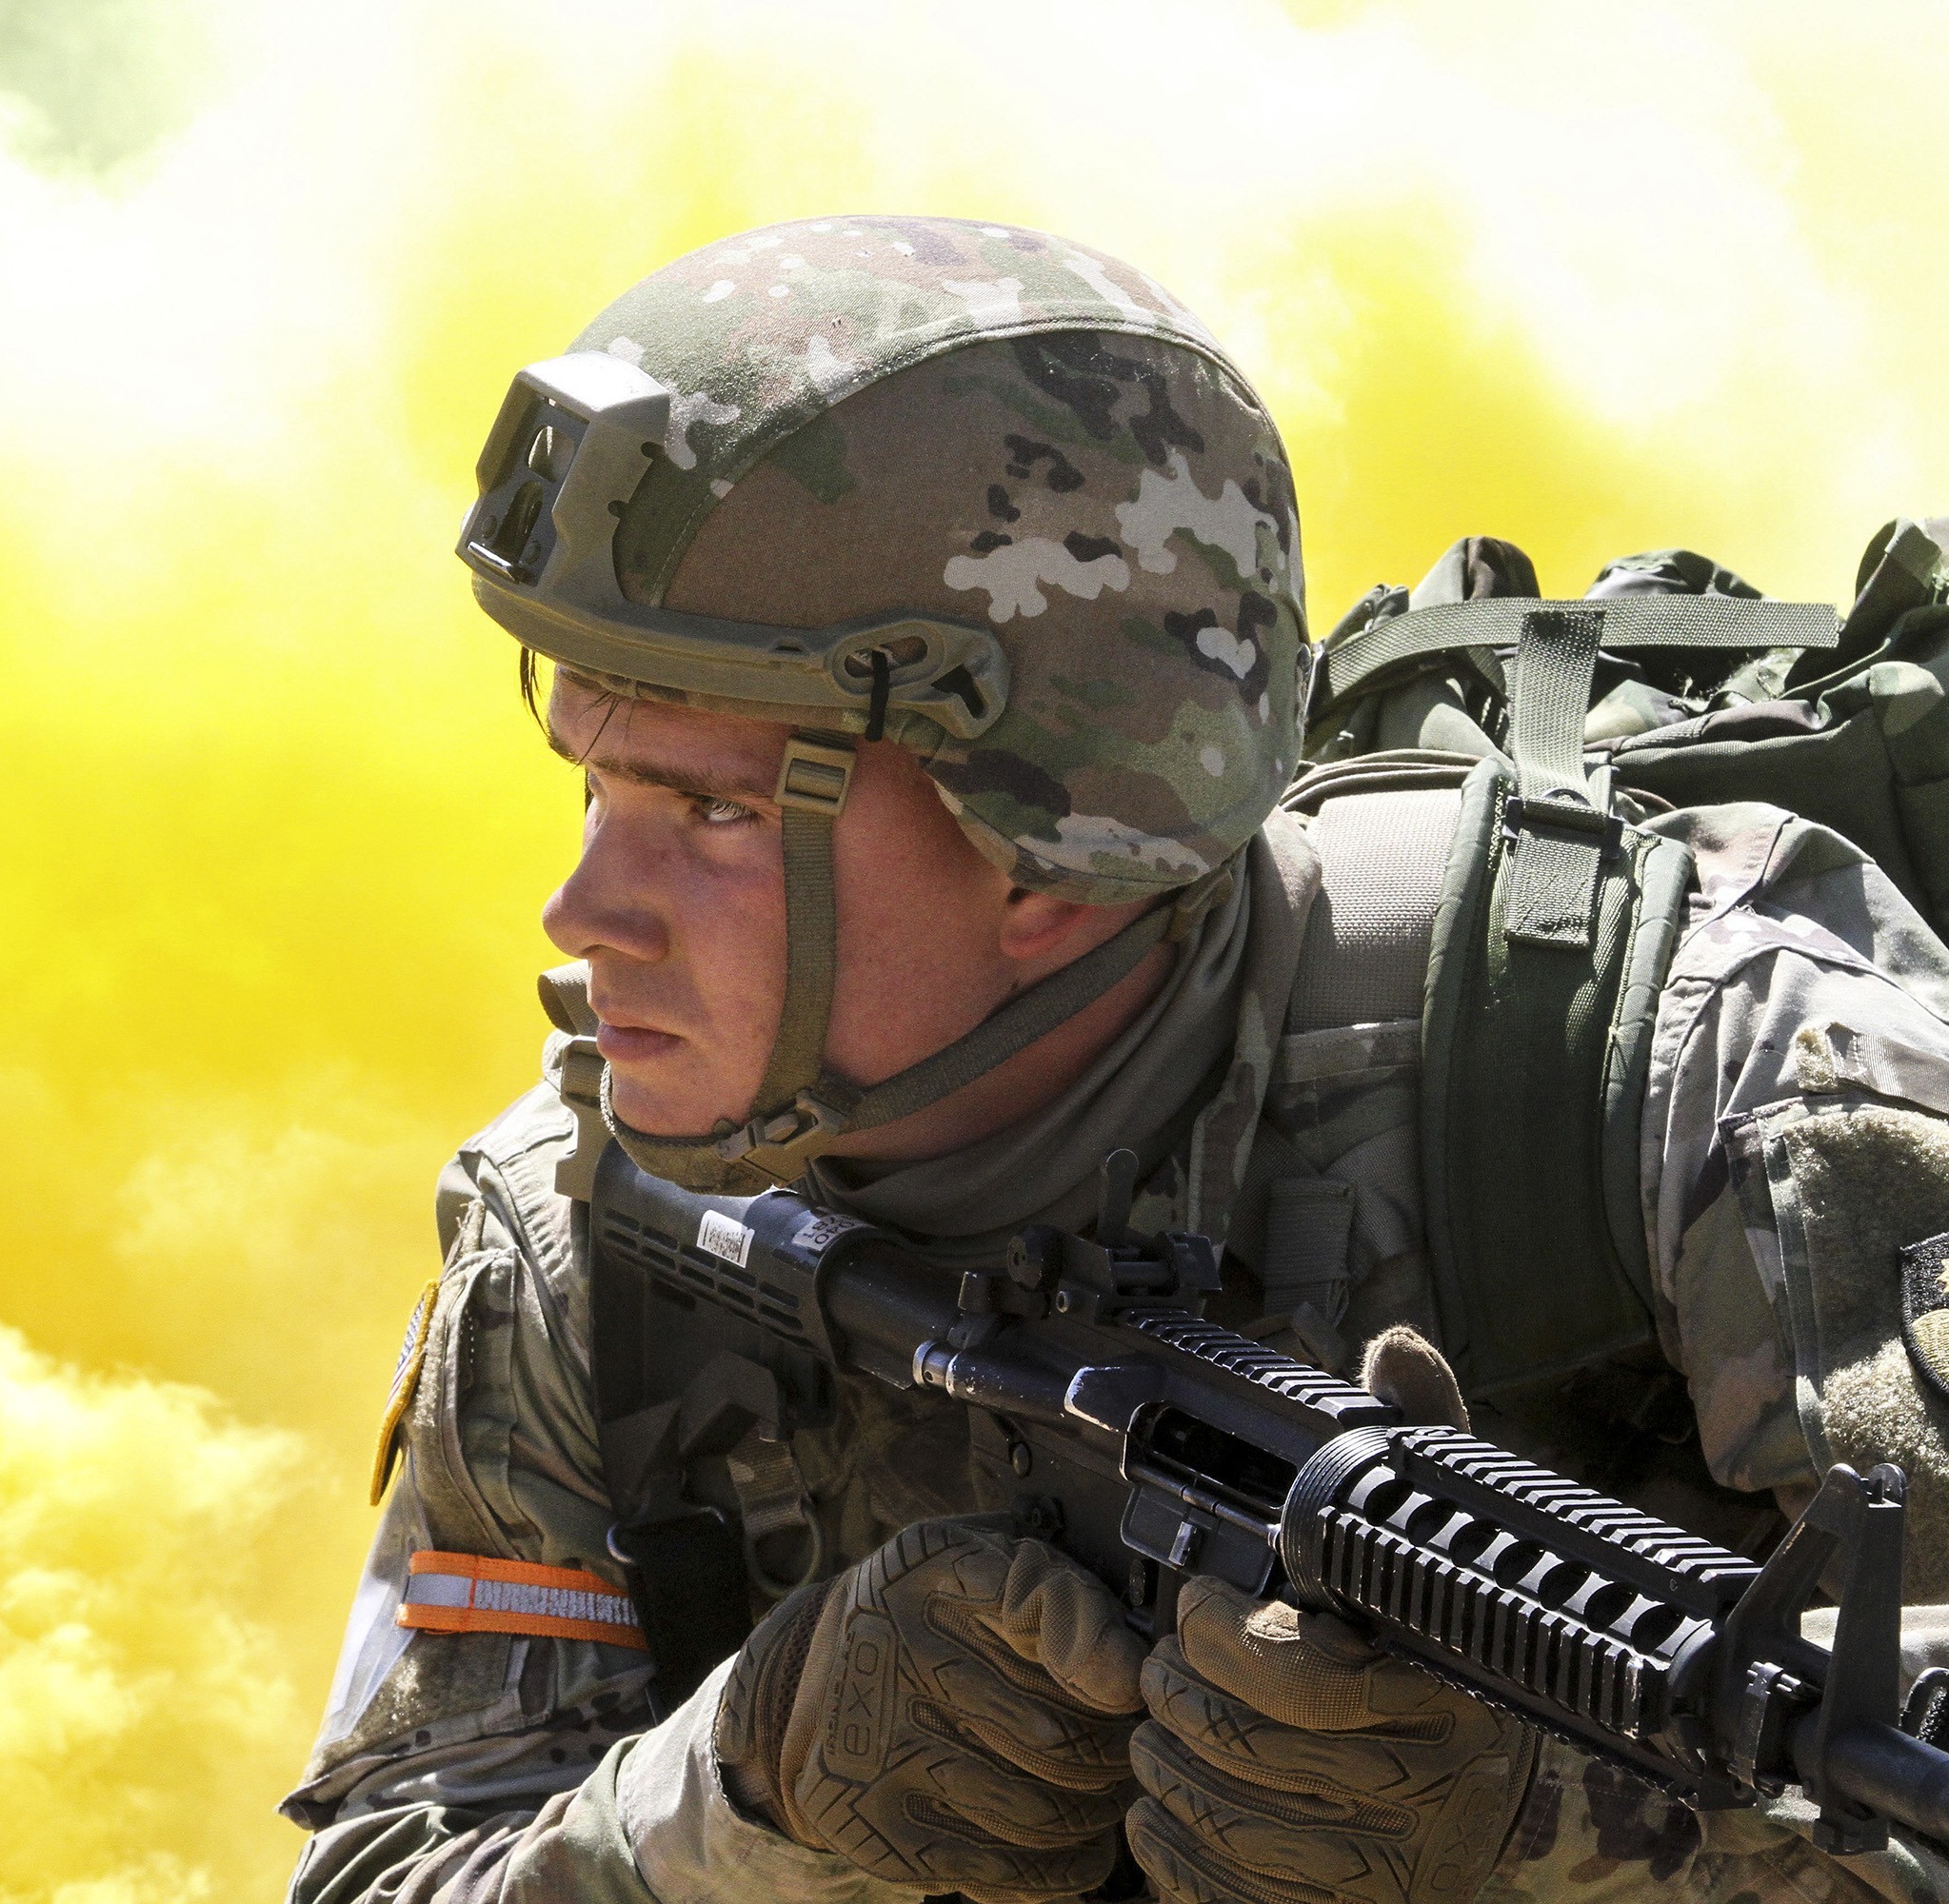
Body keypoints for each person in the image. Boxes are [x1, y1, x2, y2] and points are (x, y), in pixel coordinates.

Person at [279, 214, 1949, 1903]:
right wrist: (747, 1795)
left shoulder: (1700, 1077)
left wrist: (1552, 1833)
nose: (579, 911)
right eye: (594, 779)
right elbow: (395, 1862)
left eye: (712, 812)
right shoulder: (595, 1222)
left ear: (1055, 854)